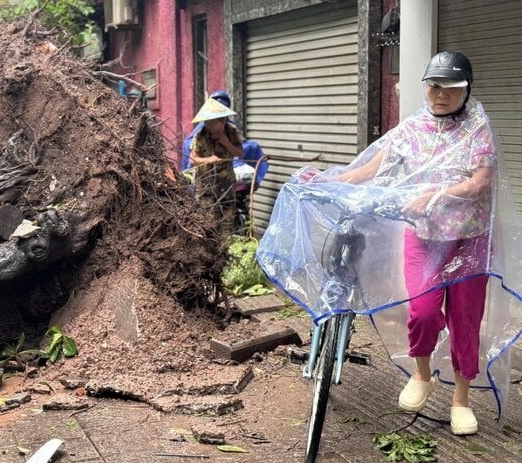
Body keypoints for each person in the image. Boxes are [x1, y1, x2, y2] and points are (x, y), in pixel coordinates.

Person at [257, 51, 521, 434]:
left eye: (450, 87)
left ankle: (461, 399)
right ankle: (422, 372)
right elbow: (371, 168)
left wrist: (436, 194)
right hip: (424, 237)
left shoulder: (477, 126)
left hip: (470, 241)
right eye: (433, 86)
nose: (440, 94)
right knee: (423, 312)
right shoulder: (413, 128)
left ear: (466, 89)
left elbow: (480, 181)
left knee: (466, 320)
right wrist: (329, 181)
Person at [188, 97, 244, 238]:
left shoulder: (231, 132)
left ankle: (225, 250)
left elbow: (240, 153)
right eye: (207, 123)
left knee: (227, 221)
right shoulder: (200, 136)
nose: (210, 126)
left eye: (214, 123)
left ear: (223, 121)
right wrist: (209, 160)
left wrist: (226, 143)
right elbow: (192, 159)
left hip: (226, 184)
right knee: (208, 222)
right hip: (205, 185)